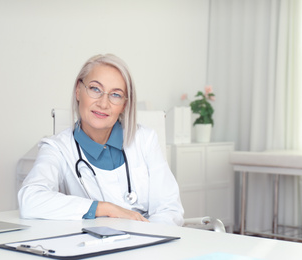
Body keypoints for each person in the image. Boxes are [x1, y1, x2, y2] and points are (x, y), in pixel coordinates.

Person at [18, 54, 184, 226]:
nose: (103, 104)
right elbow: (30, 200)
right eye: (95, 89)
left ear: (124, 105)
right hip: (92, 247)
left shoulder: (145, 140)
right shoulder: (57, 148)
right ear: (78, 91)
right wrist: (106, 209)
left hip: (147, 243)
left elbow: (170, 210)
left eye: (116, 95)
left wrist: (144, 238)